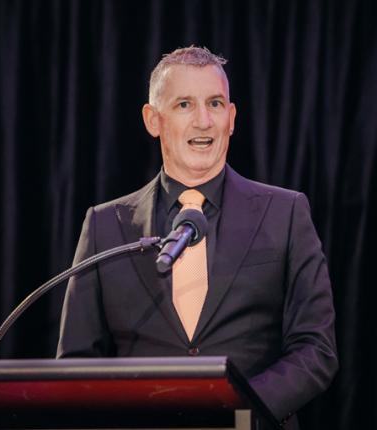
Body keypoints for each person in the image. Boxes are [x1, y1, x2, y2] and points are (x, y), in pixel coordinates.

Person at [57, 46, 338, 429]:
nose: (203, 121)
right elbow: (77, 365)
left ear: (231, 118)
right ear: (153, 120)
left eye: (215, 104)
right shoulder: (106, 226)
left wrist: (240, 410)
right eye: (185, 105)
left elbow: (316, 349)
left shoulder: (285, 213)